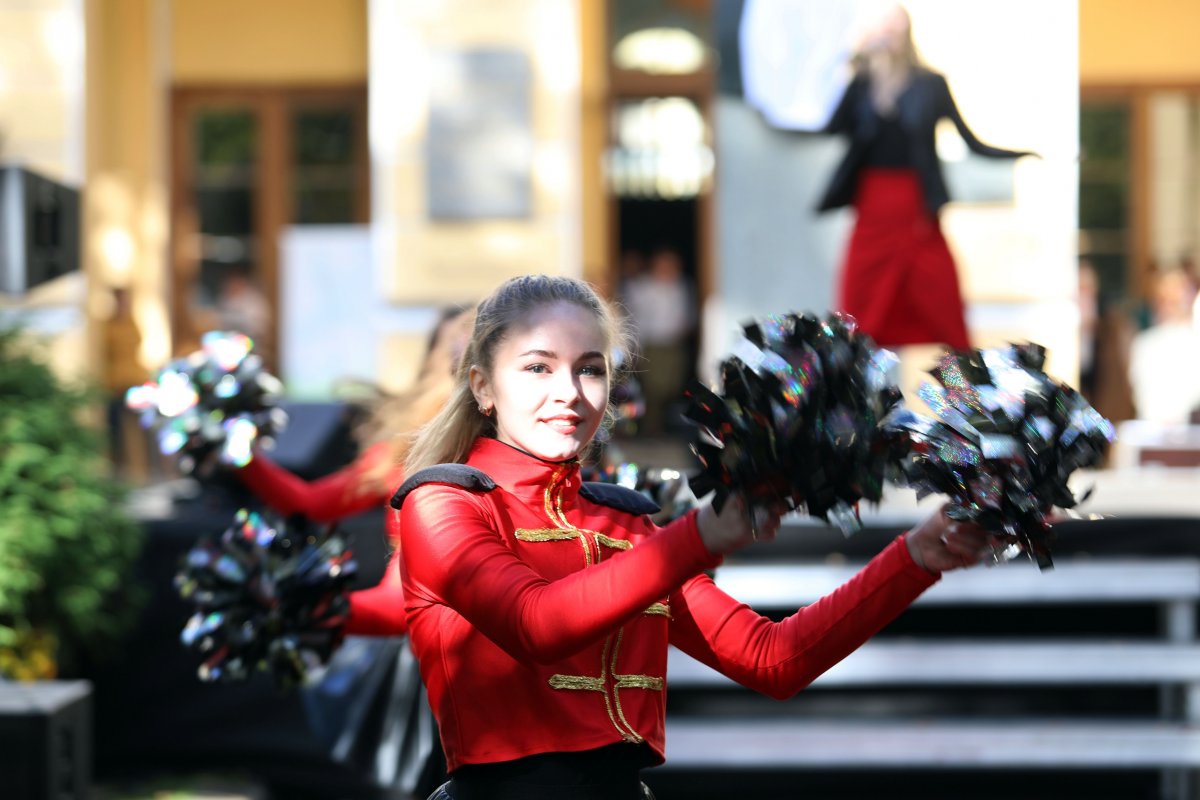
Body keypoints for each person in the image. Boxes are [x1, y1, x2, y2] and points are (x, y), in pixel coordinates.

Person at [392, 274, 992, 800]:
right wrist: (699, 535)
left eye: (590, 369)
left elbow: (772, 658)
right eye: (538, 367)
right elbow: (536, 624)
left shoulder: (628, 522)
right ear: (482, 387)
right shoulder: (441, 504)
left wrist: (916, 557)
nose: (569, 394)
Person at [235, 305, 475, 635]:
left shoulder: (483, 474)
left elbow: (400, 605)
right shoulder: (405, 453)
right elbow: (311, 503)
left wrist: (299, 605)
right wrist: (233, 449)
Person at [816, 2, 1035, 352]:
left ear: (907, 32)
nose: (887, 35)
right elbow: (831, 128)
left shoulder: (931, 85)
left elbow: (972, 142)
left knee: (947, 315)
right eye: (881, 28)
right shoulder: (861, 84)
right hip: (871, 211)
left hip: (917, 211)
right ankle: (863, 401)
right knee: (857, 321)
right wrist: (854, 64)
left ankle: (964, 398)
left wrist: (1023, 154)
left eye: (894, 26)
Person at [621, 246, 696, 436]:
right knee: (655, 388)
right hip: (653, 344)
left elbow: (687, 313)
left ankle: (660, 422)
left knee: (672, 385)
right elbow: (634, 317)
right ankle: (651, 427)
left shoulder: (681, 286)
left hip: (673, 344)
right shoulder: (644, 287)